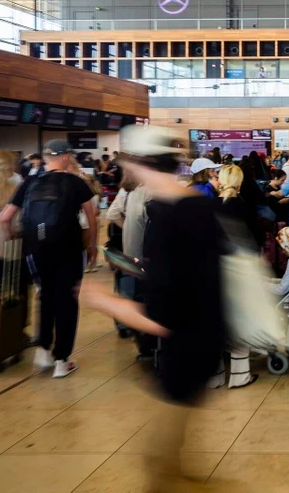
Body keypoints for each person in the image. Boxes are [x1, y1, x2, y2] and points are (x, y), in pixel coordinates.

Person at [80, 125, 225, 490]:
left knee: (160, 469)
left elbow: (162, 316)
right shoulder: (198, 205)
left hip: (184, 350)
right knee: (170, 456)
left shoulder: (166, 216)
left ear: (138, 164)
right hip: (206, 341)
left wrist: (104, 300)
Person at [0, 140, 96, 379]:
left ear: (45, 158)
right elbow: (91, 217)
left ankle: (43, 351)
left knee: (45, 295)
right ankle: (62, 359)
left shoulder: (29, 182)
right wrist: (92, 246)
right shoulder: (76, 182)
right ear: (66, 157)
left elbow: (5, 217)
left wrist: (14, 235)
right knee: (67, 300)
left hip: (37, 249)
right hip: (69, 249)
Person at [207, 164, 258, 390]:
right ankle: (239, 375)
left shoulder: (208, 207)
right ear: (239, 183)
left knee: (215, 322)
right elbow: (254, 243)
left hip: (212, 270)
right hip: (240, 270)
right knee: (239, 322)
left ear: (220, 180)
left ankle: (215, 376)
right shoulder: (245, 208)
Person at [104, 170, 144, 338]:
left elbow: (112, 213)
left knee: (125, 283)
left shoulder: (125, 190)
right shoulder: (145, 192)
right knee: (139, 286)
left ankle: (123, 324)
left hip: (123, 245)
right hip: (139, 245)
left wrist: (125, 225)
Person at [0, 151, 20, 300]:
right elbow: (19, 224)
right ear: (11, 166)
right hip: (11, 249)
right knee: (12, 296)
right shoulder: (16, 190)